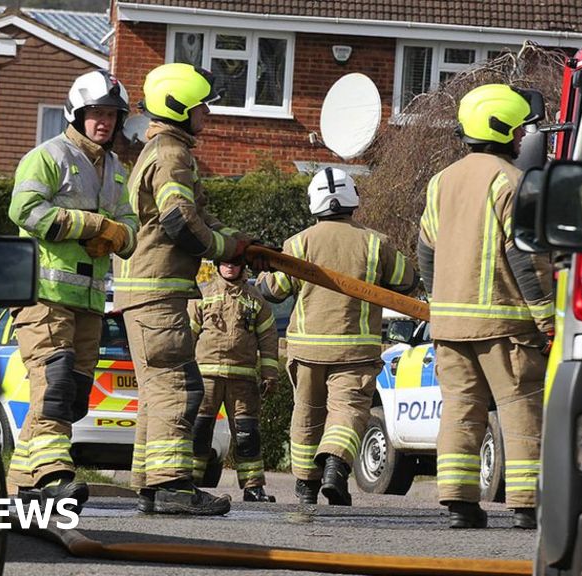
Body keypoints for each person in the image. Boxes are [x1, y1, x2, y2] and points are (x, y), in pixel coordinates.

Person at [115, 62, 259, 516]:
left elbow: (193, 214)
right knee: (178, 386)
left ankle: (150, 483)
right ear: (179, 108)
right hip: (157, 290)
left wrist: (238, 243)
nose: (208, 115)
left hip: (148, 289)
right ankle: (174, 487)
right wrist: (222, 248)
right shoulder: (172, 153)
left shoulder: (161, 149)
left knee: (160, 388)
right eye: (202, 107)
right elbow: (179, 220)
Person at [417, 84, 555, 529]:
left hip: (450, 327)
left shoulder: (440, 181)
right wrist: (548, 318)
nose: (521, 138)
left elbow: (425, 250)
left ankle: (459, 503)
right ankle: (525, 504)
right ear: (502, 128)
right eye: (518, 130)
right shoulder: (511, 181)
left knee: (460, 408)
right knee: (521, 406)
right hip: (505, 324)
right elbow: (526, 259)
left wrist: (441, 305)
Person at [6, 69, 138, 511]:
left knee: (71, 396)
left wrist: (120, 235)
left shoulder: (117, 169)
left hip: (89, 300)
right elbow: (24, 210)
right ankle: (53, 479)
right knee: (56, 384)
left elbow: (132, 225)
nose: (103, 122)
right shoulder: (48, 157)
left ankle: (19, 484)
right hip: (43, 296)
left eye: (111, 115)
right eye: (95, 113)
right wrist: (90, 225)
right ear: (77, 114)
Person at [258, 167, 417, 506]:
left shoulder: (298, 243)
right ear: (353, 199)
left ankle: (305, 487)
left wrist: (263, 274)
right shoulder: (376, 243)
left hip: (306, 350)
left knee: (306, 413)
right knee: (347, 411)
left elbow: (274, 290)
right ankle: (335, 467)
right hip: (354, 350)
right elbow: (407, 280)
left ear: (314, 201)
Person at [189, 261, 280, 502]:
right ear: (218, 265)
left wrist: (270, 374)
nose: (230, 267)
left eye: (235, 263)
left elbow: (269, 338)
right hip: (206, 376)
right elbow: (189, 333)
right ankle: (190, 484)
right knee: (199, 431)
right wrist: (184, 371)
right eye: (225, 262)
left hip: (243, 379)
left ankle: (253, 487)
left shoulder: (255, 298)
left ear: (243, 267)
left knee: (247, 435)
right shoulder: (203, 293)